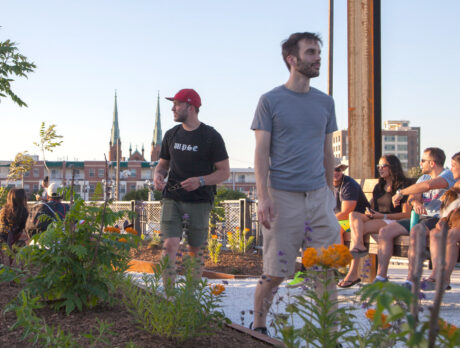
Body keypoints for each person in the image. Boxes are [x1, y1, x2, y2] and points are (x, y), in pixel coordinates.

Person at [251, 32, 340, 335]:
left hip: (318, 197)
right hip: (282, 197)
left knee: (325, 272)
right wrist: (263, 197)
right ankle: (259, 326)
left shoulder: (325, 103)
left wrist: (329, 194)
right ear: (292, 59)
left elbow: (327, 152)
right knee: (275, 273)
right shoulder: (270, 101)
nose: (318, 58)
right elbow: (261, 153)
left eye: (318, 53)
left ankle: (328, 334)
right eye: (312, 52)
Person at [153, 88, 230, 288]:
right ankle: (168, 295)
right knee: (169, 245)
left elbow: (224, 172)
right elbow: (163, 165)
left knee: (196, 249)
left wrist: (201, 181)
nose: (173, 108)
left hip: (200, 201)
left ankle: (190, 296)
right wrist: (158, 175)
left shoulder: (211, 136)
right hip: (172, 197)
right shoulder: (171, 135)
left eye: (177, 104)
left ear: (191, 107)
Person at [375, 147, 457, 283]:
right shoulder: (423, 177)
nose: (420, 164)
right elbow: (413, 196)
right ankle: (380, 277)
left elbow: (428, 186)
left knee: (416, 231)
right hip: (420, 218)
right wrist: (416, 202)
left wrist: (401, 192)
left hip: (437, 218)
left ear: (432, 163)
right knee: (385, 231)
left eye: (423, 160)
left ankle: (411, 280)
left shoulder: (447, 174)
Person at [338, 155, 411, 287]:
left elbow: (406, 214)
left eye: (383, 166)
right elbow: (373, 207)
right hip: (377, 217)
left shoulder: (403, 187)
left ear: (392, 167)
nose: (380, 169)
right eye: (378, 166)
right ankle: (358, 247)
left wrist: (382, 216)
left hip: (391, 220)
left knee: (358, 231)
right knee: (354, 215)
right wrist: (369, 212)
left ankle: (353, 272)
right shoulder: (379, 186)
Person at [410, 152, 460, 290]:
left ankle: (444, 278)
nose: (451, 169)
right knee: (434, 233)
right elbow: (450, 205)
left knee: (452, 235)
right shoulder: (457, 185)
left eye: (454, 166)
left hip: (457, 227)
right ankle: (435, 275)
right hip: (455, 223)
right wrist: (443, 218)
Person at [333, 158, 370, 243]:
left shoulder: (349, 185)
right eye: (332, 169)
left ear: (342, 170)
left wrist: (325, 222)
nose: (335, 172)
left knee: (335, 229)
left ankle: (339, 256)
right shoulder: (326, 184)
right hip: (340, 220)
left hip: (357, 221)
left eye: (338, 170)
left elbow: (346, 214)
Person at [0, 188, 29, 264]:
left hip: (2, 238)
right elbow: (24, 228)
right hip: (13, 240)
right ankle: (20, 264)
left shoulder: (3, 209)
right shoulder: (23, 211)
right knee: (23, 241)